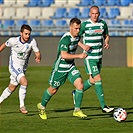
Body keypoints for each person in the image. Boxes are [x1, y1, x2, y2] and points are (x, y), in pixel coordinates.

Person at [37, 18, 90, 120]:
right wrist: (79, 56)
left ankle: (77, 110)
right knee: (53, 90)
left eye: (79, 28)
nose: (78, 31)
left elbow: (77, 40)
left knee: (80, 84)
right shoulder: (65, 39)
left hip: (70, 67)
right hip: (60, 68)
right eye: (76, 28)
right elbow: (64, 55)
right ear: (70, 27)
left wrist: (83, 45)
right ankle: (42, 106)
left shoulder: (77, 36)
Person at [72, 5, 114, 113]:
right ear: (89, 14)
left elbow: (106, 35)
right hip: (89, 57)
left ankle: (76, 93)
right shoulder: (85, 25)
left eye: (96, 13)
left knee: (92, 80)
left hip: (99, 56)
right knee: (98, 78)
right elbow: (76, 38)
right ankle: (104, 106)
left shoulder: (103, 24)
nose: (95, 15)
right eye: (93, 13)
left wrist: (106, 42)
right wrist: (83, 46)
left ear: (99, 14)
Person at [0, 24, 41, 114]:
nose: (28, 36)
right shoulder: (13, 41)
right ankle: (22, 106)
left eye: (29, 34)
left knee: (12, 87)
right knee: (24, 82)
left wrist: (38, 57)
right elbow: (4, 45)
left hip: (22, 68)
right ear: (21, 33)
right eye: (26, 34)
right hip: (14, 66)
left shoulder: (32, 41)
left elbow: (37, 52)